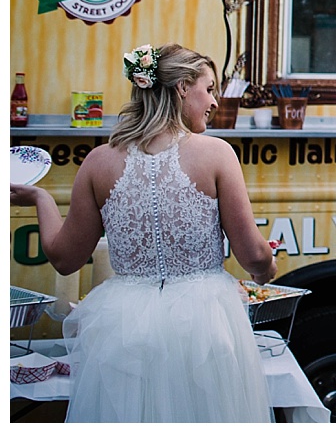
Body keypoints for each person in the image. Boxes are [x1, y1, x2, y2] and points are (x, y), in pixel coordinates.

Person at [9, 43, 277, 423]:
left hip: (123, 326)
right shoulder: (217, 154)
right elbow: (252, 255)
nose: (215, 102)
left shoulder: (99, 162)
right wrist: (266, 269)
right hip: (204, 321)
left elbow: (64, 259)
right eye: (210, 89)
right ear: (183, 87)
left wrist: (39, 198)